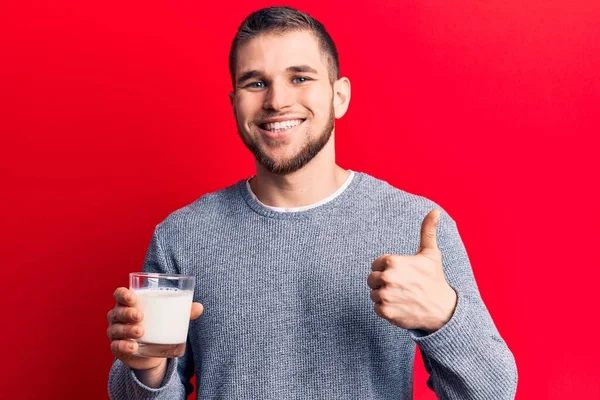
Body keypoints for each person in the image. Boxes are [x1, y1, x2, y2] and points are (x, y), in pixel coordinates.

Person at [106, 6, 517, 399]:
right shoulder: (182, 235)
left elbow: (493, 392)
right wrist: (146, 369)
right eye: (256, 83)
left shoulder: (415, 224)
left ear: (340, 96)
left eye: (300, 78)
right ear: (234, 105)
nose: (277, 101)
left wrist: (443, 317)